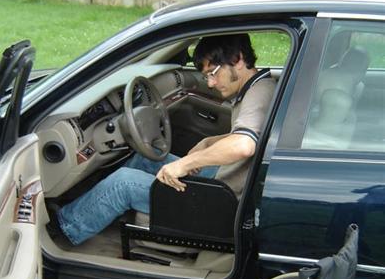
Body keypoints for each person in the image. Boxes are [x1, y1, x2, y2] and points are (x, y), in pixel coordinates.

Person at [48, 34, 275, 245]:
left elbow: (244, 145)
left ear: (237, 59)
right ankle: (91, 209)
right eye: (207, 76)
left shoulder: (258, 94)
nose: (210, 83)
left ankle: (67, 227)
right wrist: (209, 144)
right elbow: (250, 135)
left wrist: (184, 164)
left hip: (222, 204)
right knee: (145, 159)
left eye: (212, 73)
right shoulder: (259, 86)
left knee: (123, 183)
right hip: (226, 180)